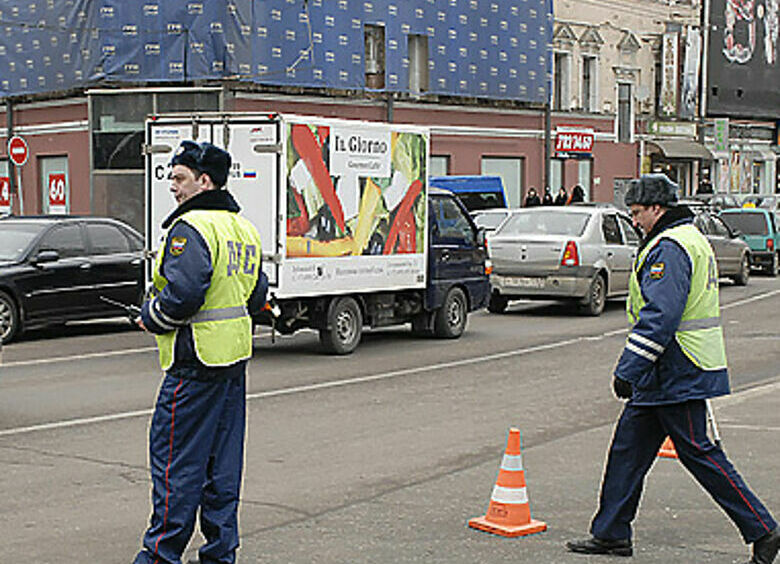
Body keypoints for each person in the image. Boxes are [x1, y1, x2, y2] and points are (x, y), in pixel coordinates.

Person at [566, 174, 779, 563]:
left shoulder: (671, 247)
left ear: (656, 209)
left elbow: (660, 316)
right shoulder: (682, 239)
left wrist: (628, 368)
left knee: (700, 453)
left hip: (678, 368)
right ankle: (612, 533)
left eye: (637, 212)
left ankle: (763, 530)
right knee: (627, 452)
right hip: (665, 370)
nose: (633, 220)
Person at [133, 140, 268, 564]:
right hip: (232, 364)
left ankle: (159, 556)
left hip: (194, 367)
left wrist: (152, 316)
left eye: (179, 178)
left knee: (175, 464)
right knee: (221, 468)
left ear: (203, 181)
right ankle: (220, 554)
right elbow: (257, 294)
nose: (172, 186)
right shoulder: (242, 228)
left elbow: (184, 294)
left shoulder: (190, 228)